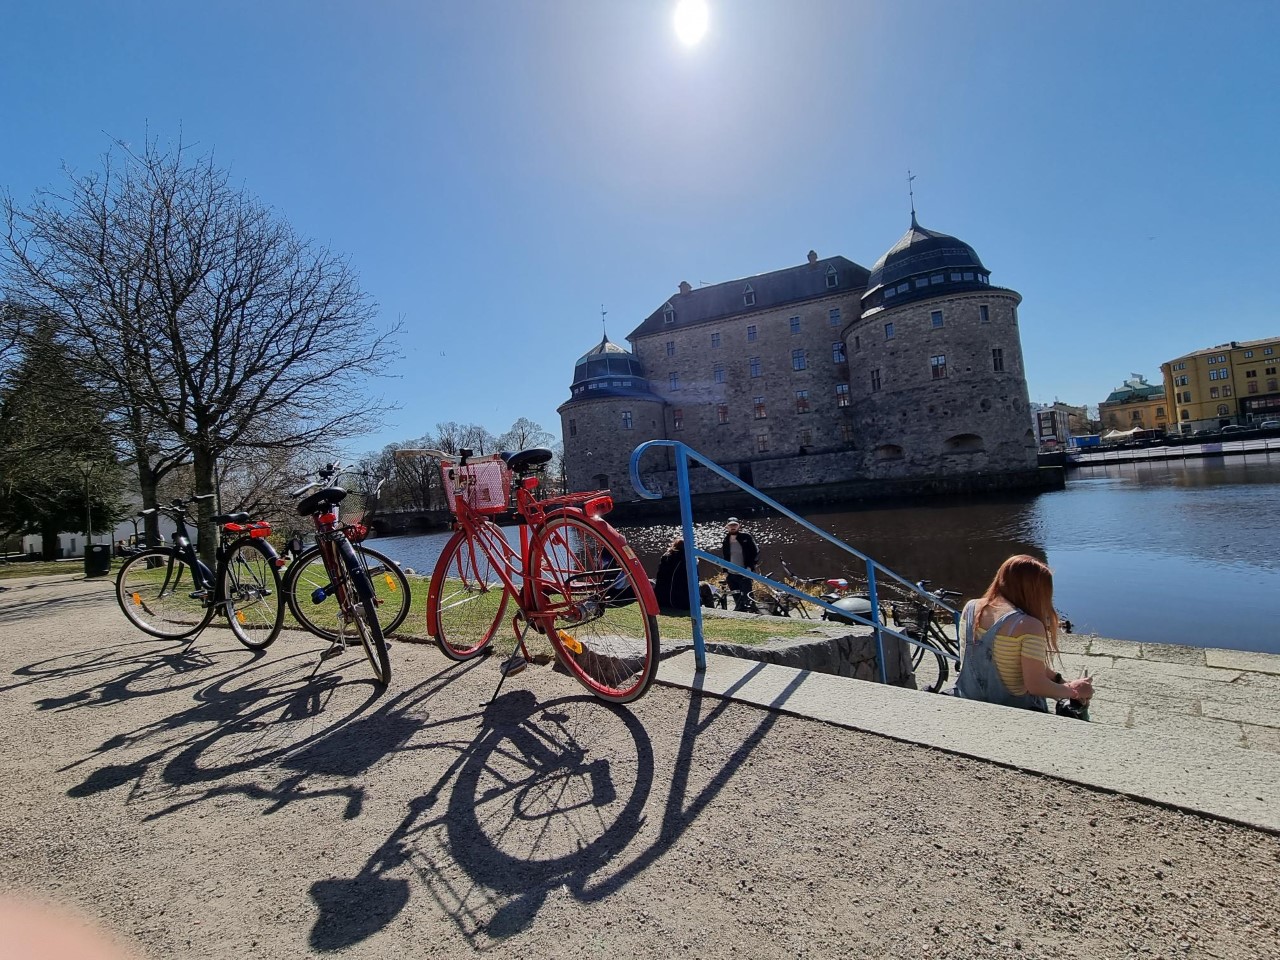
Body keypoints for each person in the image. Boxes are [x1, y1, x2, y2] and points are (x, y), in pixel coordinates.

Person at [952, 554, 1093, 712]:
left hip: (968, 698)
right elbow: (1036, 685)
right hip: (1012, 709)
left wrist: (1060, 682)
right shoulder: (1029, 625)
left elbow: (1019, 663)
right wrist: (1074, 691)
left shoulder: (970, 608)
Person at [721, 517, 759, 612]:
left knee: (747, 596)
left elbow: (756, 552)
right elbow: (725, 556)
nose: (733, 527)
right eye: (731, 526)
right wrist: (725, 571)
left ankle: (752, 611)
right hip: (731, 573)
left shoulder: (746, 537)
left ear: (739, 526)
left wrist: (750, 567)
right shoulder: (726, 540)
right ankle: (739, 612)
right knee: (736, 596)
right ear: (727, 527)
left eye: (735, 525)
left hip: (745, 572)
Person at [653, 537, 691, 612]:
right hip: (680, 602)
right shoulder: (686, 559)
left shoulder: (665, 558)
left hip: (661, 600)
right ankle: (711, 608)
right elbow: (694, 579)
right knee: (705, 586)